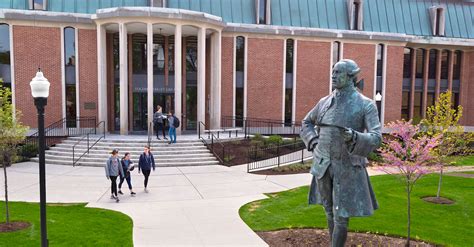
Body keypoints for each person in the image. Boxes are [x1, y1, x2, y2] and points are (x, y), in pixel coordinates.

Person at [300, 59, 382, 247]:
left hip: (346, 168)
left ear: (351, 77)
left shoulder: (365, 105)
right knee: (329, 211)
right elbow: (306, 123)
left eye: (338, 73)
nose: (333, 76)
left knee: (341, 215)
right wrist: (313, 141)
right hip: (323, 166)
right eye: (333, 72)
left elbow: (377, 137)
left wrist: (355, 136)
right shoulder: (324, 102)